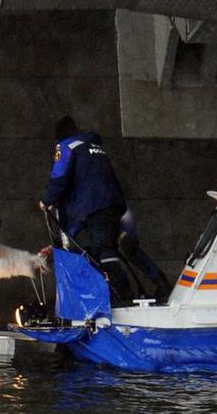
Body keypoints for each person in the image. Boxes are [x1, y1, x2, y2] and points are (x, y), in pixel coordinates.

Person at [39, 116, 132, 303]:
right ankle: (122, 294)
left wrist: (46, 200)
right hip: (112, 203)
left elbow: (60, 177)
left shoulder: (66, 146)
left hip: (95, 206)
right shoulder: (92, 146)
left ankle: (122, 296)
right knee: (105, 248)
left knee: (104, 251)